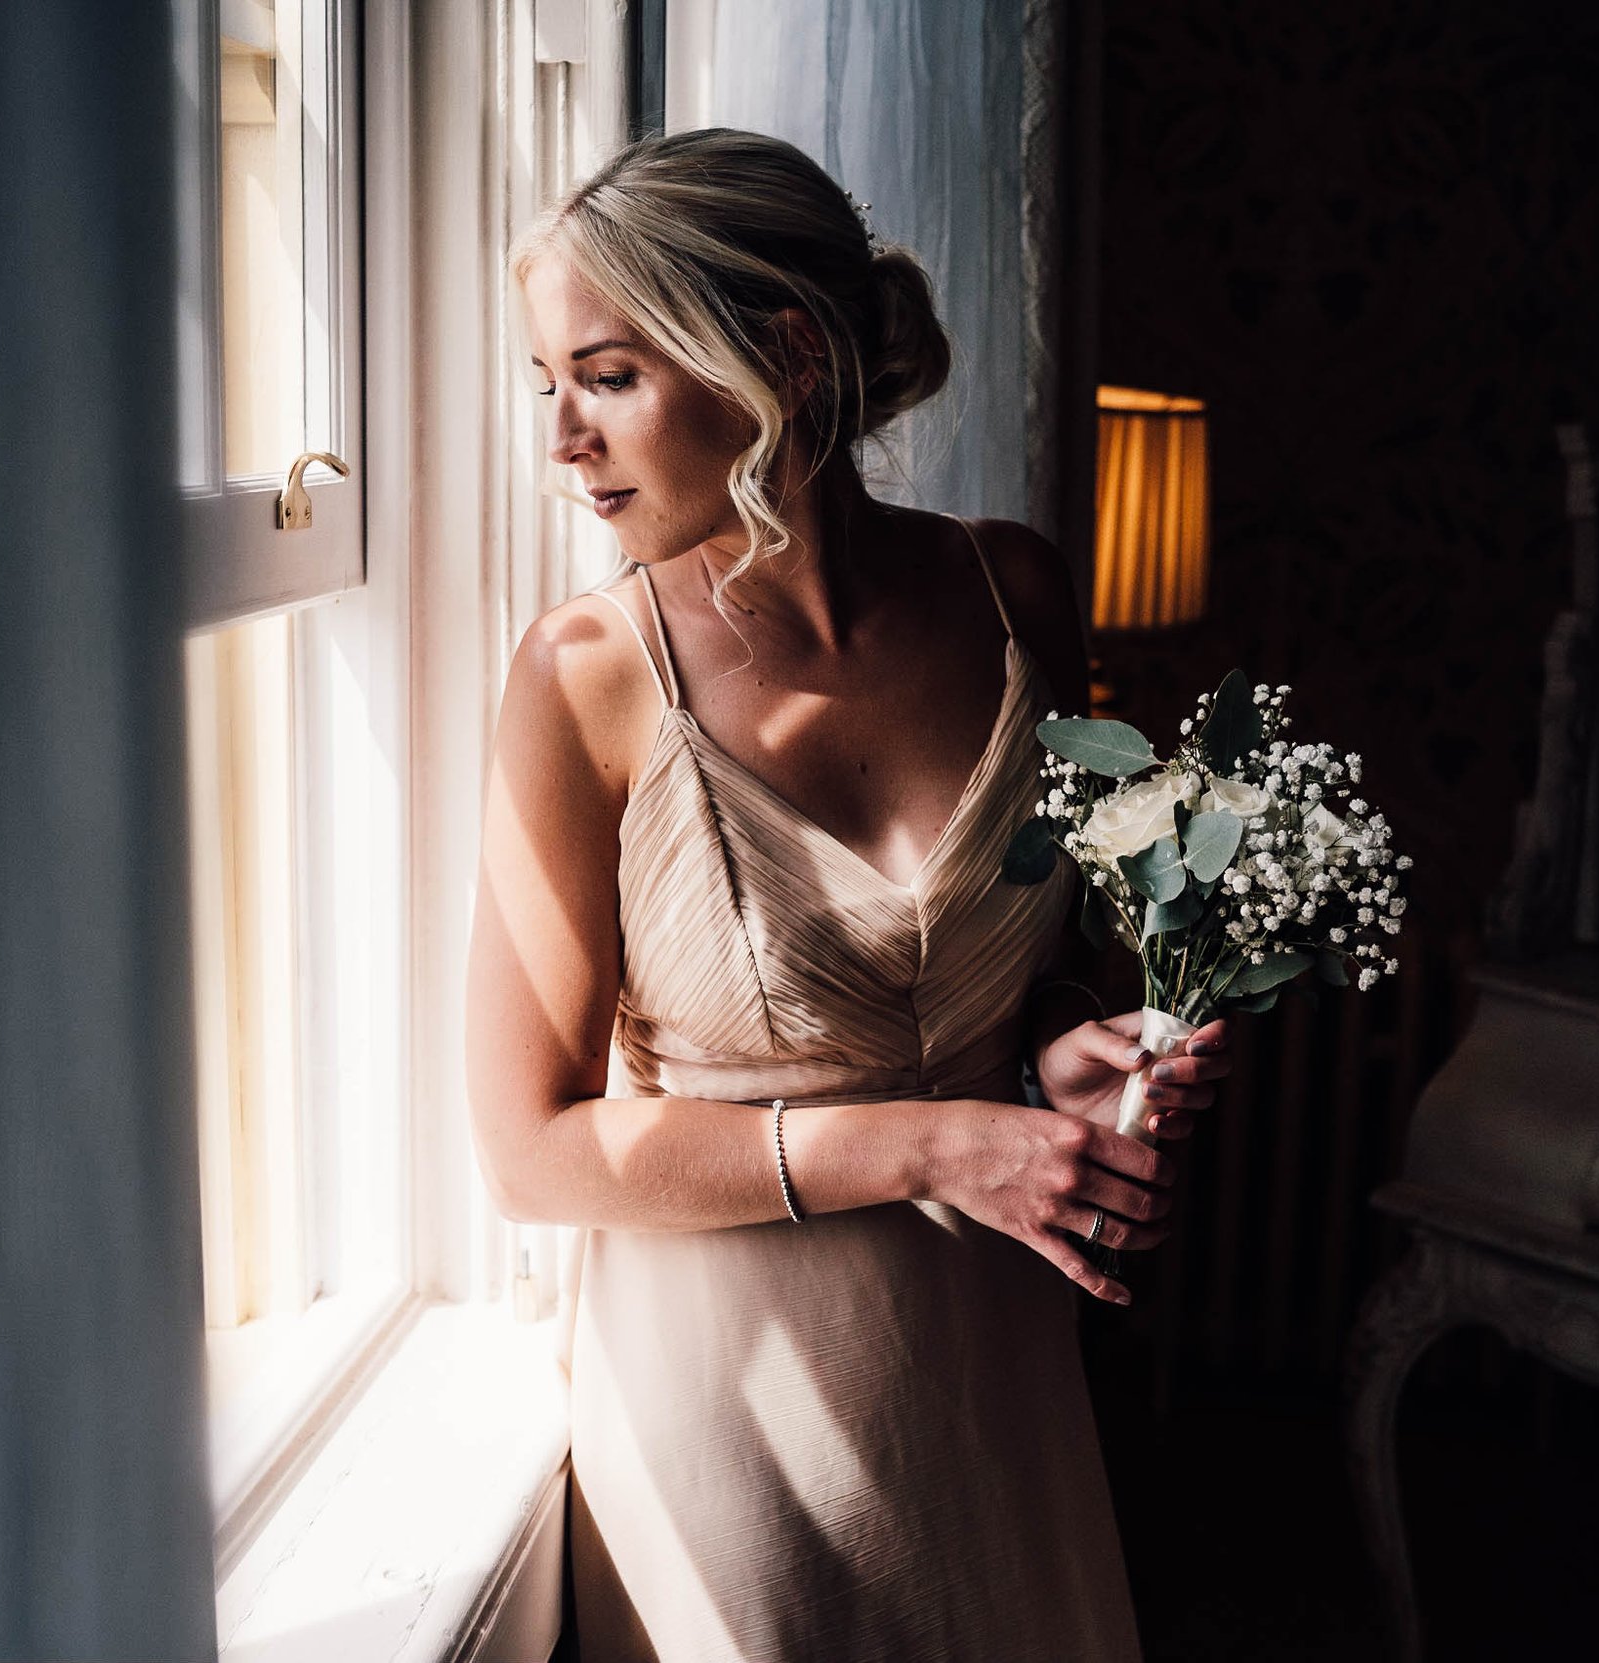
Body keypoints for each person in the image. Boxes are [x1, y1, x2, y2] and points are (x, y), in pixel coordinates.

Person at [465, 127, 1234, 1663]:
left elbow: (1046, 960)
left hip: (998, 1365)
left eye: (608, 376)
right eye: (547, 381)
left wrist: (1057, 1055)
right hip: (735, 1416)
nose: (561, 438)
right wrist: (939, 1138)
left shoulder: (1015, 590)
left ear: (786, 357)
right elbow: (533, 1153)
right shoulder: (588, 678)